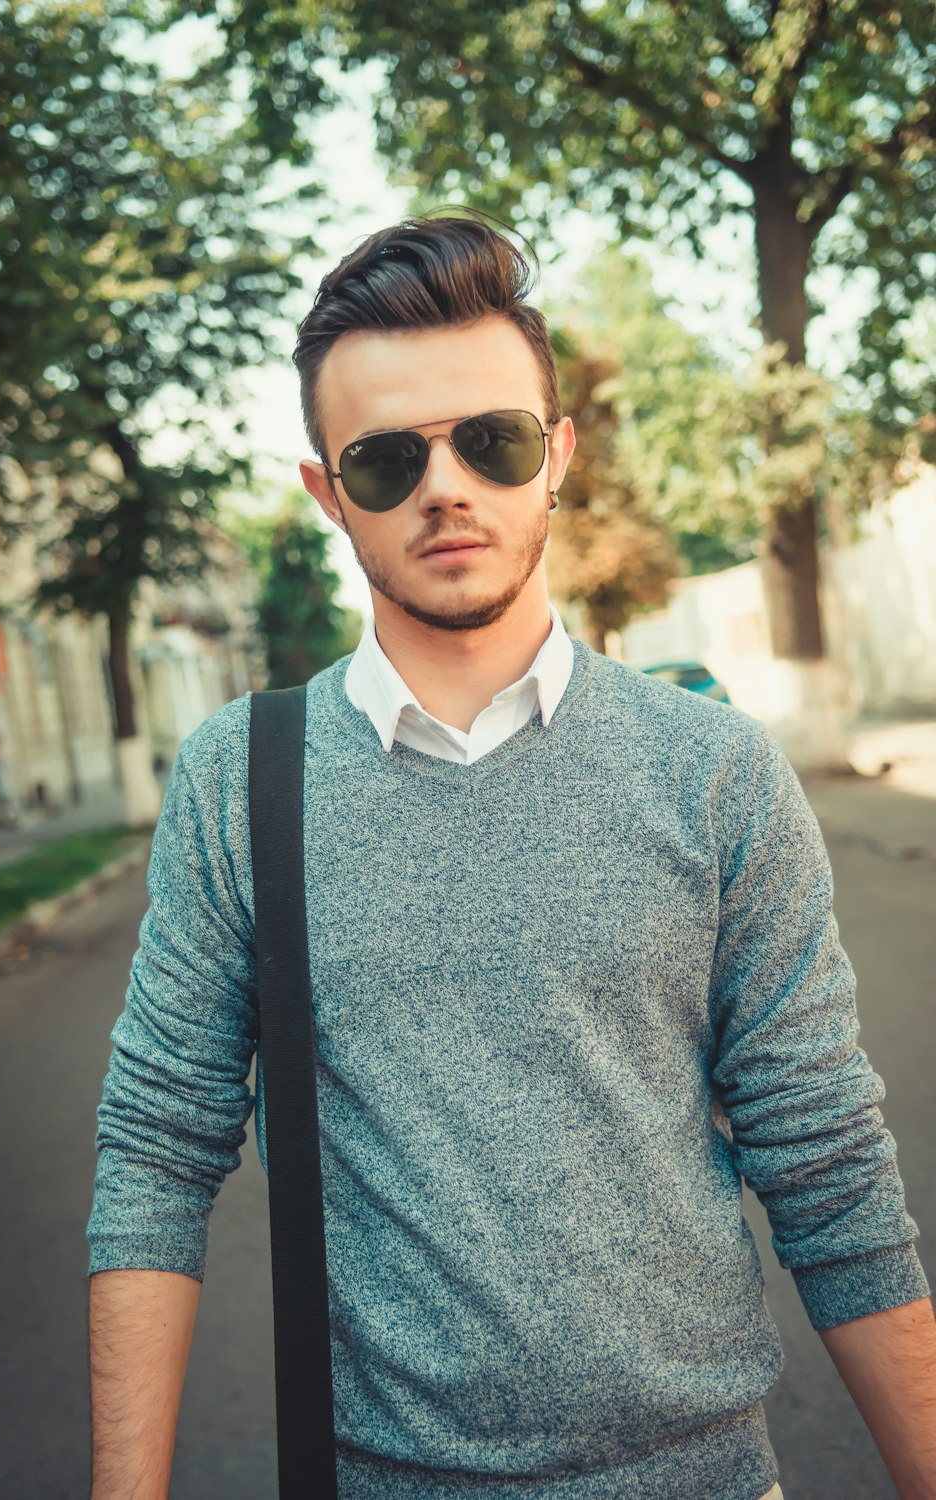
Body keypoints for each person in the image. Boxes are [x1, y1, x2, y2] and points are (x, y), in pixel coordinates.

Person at [86, 217, 935, 1500]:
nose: (445, 488)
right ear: (327, 493)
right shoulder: (237, 783)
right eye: (384, 458)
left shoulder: (713, 773)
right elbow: (154, 1155)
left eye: (491, 439)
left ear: (555, 458)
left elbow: (825, 1167)